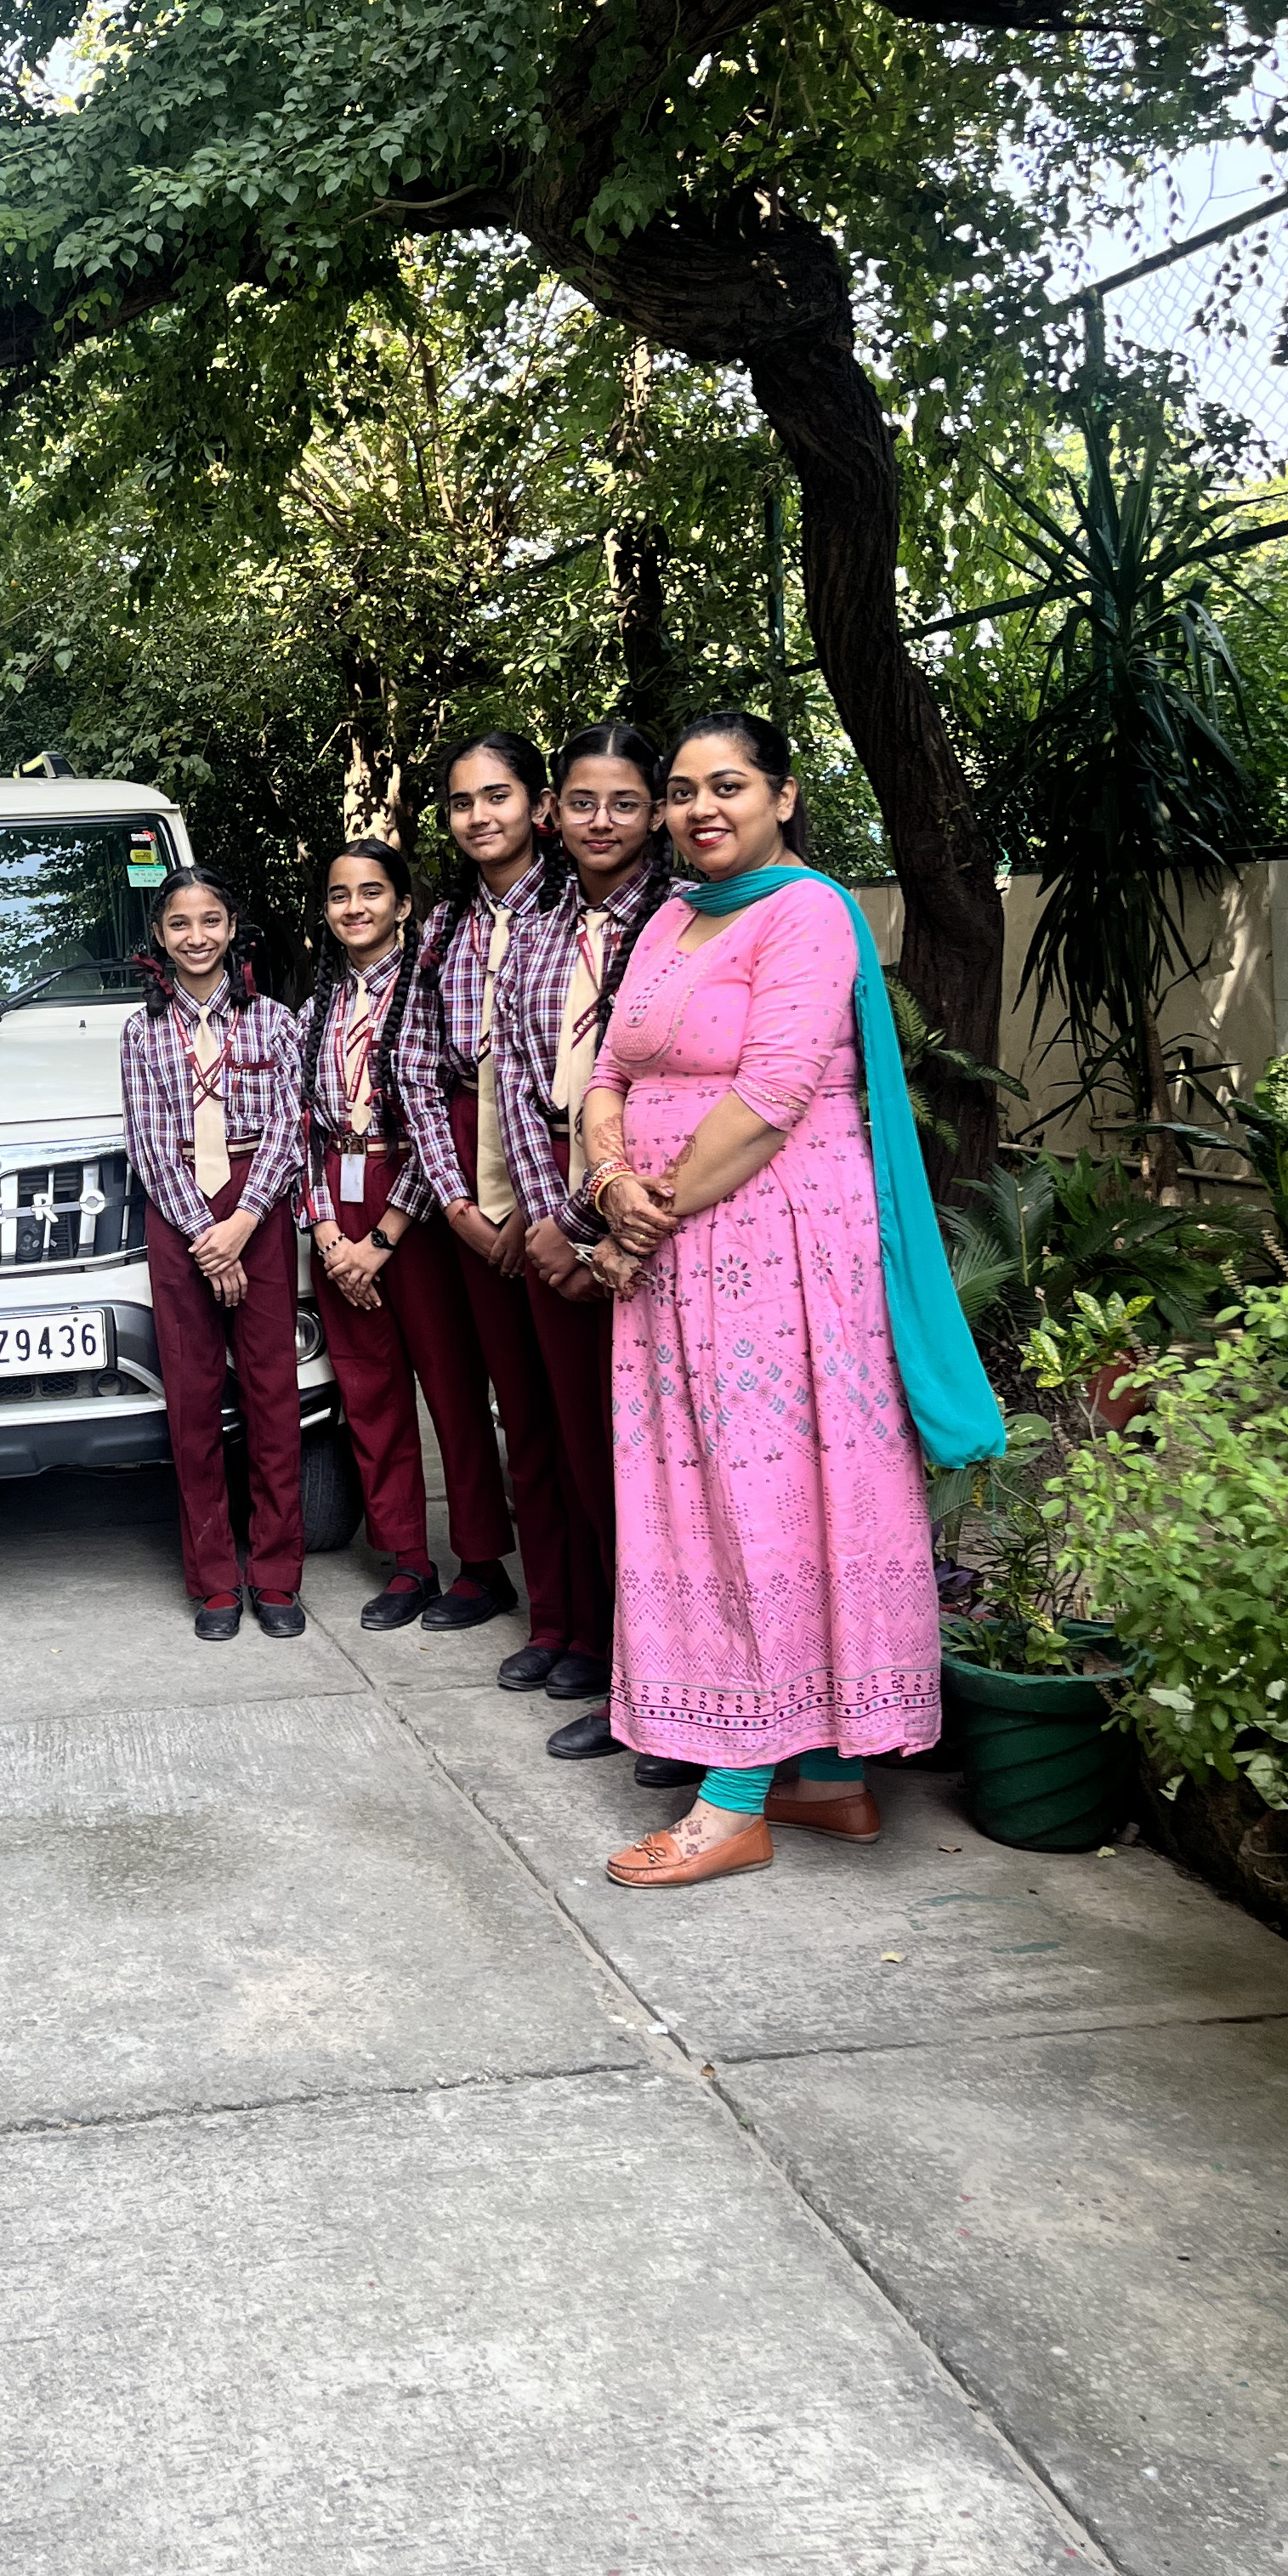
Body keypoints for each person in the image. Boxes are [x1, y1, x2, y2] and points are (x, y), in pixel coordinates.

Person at [578, 712, 1004, 1887]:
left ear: (784, 794)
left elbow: (771, 1097)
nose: (700, 808)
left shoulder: (809, 912)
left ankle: (733, 1800)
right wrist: (611, 1180)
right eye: (682, 791)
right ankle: (824, 1778)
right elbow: (607, 1072)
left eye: (727, 785)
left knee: (757, 1502)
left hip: (777, 1256)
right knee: (711, 1493)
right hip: (675, 1255)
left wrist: (648, 1213)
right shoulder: (673, 916)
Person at [490, 723, 691, 1779]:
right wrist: (548, 1221)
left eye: (623, 802)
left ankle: (674, 1690)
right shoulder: (536, 928)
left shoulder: (683, 917)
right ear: (552, 813)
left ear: (655, 811)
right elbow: (522, 1086)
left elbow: (674, 1092)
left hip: (657, 1224)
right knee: (583, 1462)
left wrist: (587, 1223)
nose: (600, 821)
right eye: (581, 801)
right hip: (556, 1223)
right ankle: (624, 1673)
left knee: (658, 1473)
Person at [298, 841, 519, 1632]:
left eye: (371, 892)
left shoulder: (431, 992)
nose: (353, 907)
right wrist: (328, 1232)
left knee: (451, 1390)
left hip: (415, 1211)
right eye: (339, 895)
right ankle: (406, 1560)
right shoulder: (314, 1009)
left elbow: (436, 1125)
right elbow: (300, 1129)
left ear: (401, 904)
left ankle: (482, 1564)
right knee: (369, 1393)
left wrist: (384, 1238)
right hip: (339, 1206)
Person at [118, 865, 309, 1641]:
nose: (196, 937)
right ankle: (215, 1580)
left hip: (256, 1207)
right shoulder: (141, 1032)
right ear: (160, 937)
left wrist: (243, 1223)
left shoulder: (275, 1021)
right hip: (180, 1218)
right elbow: (147, 1141)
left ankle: (277, 1574)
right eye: (179, 924)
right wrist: (206, 1236)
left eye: (210, 921)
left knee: (273, 1396)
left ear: (232, 929)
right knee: (193, 1402)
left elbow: (290, 1128)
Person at [395, 732, 556, 1651]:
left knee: (556, 1402)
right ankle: (510, 1585)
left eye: (497, 796)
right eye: (461, 803)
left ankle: (585, 1613)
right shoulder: (445, 928)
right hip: (462, 1153)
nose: (479, 816)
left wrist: (538, 1203)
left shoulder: (573, 909)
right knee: (487, 1391)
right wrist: (455, 1202)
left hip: (554, 1160)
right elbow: (417, 1072)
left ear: (538, 805)